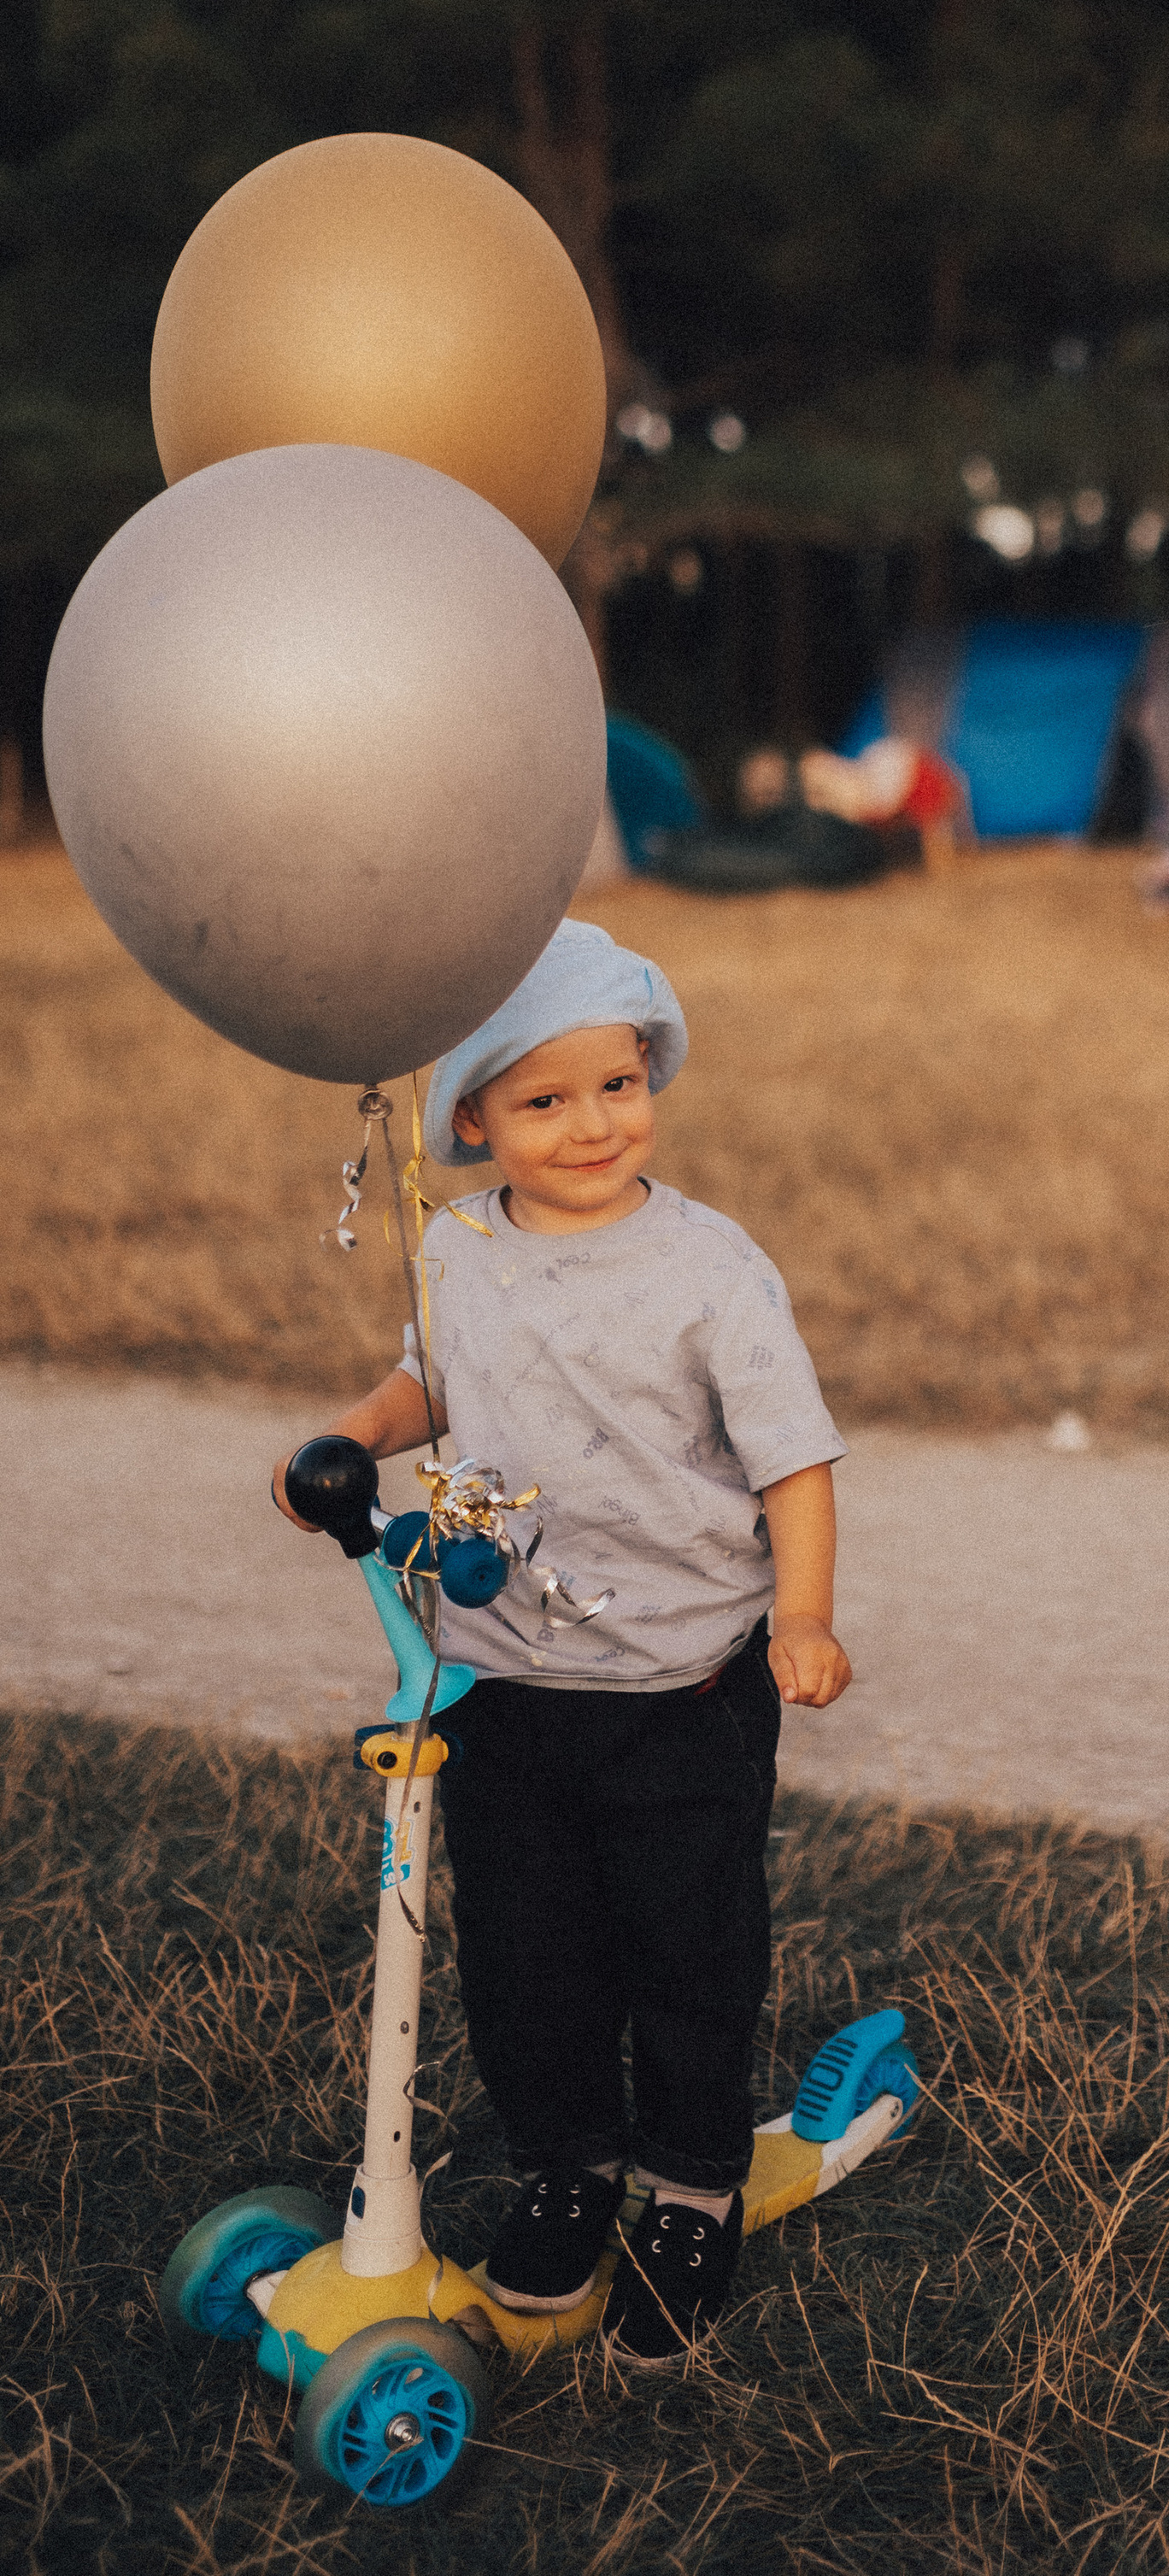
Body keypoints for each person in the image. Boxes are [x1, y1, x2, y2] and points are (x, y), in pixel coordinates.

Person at [273, 917, 852, 2363]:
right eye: (543, 1099)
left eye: (618, 1084)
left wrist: (808, 1614)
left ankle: (692, 2188)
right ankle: (571, 2167)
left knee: (686, 1949)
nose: (592, 1124)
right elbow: (431, 1386)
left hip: (682, 1686)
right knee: (530, 1953)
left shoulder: (713, 1270)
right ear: (472, 1120)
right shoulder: (459, 1249)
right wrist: (354, 1432)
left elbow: (795, 1461)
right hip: (502, 1682)